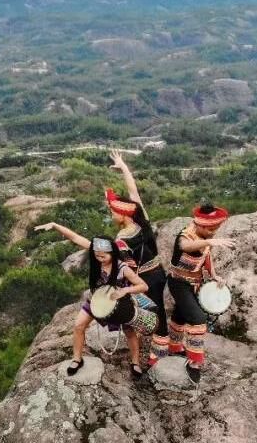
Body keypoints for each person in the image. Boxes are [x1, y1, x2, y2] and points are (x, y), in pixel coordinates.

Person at [34, 223, 151, 380]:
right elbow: (75, 237)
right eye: (97, 256)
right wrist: (55, 226)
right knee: (78, 325)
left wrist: (125, 290)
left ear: (113, 253)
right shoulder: (97, 253)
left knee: (129, 331)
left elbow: (143, 286)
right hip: (96, 299)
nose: (100, 259)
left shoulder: (122, 267)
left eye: (104, 256)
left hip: (118, 302)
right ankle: (77, 359)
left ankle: (135, 362)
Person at [107, 149, 170, 366]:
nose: (111, 216)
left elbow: (121, 264)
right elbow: (134, 192)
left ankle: (160, 351)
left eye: (113, 212)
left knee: (156, 310)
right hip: (158, 272)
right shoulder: (141, 219)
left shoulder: (121, 238)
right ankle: (157, 343)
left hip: (146, 278)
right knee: (156, 307)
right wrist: (124, 167)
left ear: (123, 215)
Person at [167, 203, 234, 382]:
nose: (213, 232)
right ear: (200, 225)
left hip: (194, 283)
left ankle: (174, 347)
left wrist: (214, 275)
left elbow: (206, 256)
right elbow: (186, 246)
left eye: (216, 228)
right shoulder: (185, 235)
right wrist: (209, 241)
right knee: (198, 319)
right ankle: (194, 362)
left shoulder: (206, 238)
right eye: (211, 228)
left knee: (180, 315)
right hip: (178, 282)